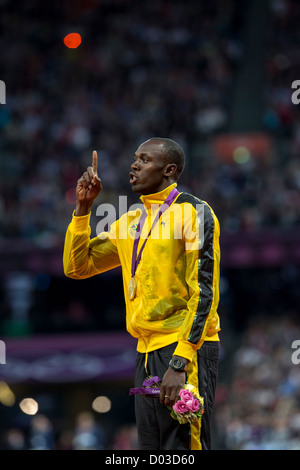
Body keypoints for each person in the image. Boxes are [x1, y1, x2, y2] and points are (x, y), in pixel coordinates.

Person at [63, 137, 221, 450]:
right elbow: (76, 267)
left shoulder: (195, 213)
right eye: (135, 158)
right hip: (145, 353)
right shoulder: (130, 221)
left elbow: (204, 293)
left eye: (145, 159)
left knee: (185, 447)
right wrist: (83, 209)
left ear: (169, 170)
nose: (134, 165)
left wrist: (181, 362)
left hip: (183, 349)